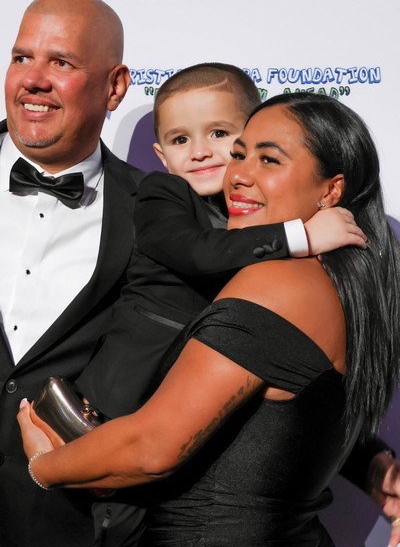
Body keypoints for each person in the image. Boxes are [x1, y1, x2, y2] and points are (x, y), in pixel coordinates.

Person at [18, 92, 400, 546]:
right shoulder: (347, 286)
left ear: (331, 191)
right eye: (239, 154)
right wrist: (375, 467)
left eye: (269, 160)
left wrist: (43, 466)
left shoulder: (277, 283)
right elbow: (283, 424)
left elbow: (152, 449)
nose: (238, 175)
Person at [0, 0, 145, 547]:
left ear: (115, 87)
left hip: (62, 523)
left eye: (61, 62)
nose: (33, 79)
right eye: (21, 57)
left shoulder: (155, 213)